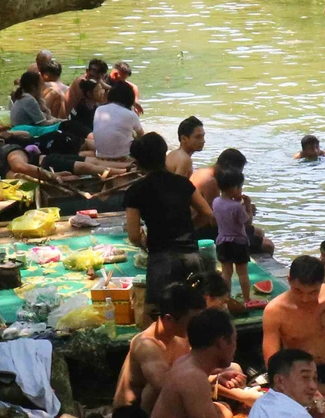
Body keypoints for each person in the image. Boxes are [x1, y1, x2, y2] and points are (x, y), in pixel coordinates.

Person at [123, 133, 212, 311]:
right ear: (164, 155)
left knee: (157, 314)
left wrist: (144, 244)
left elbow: (133, 235)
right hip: (191, 257)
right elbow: (207, 213)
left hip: (162, 260)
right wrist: (189, 228)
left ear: (138, 162)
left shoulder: (135, 191)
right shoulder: (182, 183)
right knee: (194, 311)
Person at [262, 255, 325, 397]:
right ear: (289, 280)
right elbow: (272, 359)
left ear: (322, 283)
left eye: (312, 292)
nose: (305, 298)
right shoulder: (274, 310)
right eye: (298, 291)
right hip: (300, 375)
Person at [110, 283, 201, 418]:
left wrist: (218, 378)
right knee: (153, 389)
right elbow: (164, 385)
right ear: (169, 319)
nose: (198, 326)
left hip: (161, 412)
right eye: (193, 321)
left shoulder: (181, 338)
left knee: (230, 370)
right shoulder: (146, 345)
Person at [211, 167, 257, 303]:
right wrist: (248, 206)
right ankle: (247, 299)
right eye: (240, 187)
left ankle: (226, 298)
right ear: (233, 188)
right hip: (238, 242)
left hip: (222, 241)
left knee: (226, 272)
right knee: (242, 273)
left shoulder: (216, 202)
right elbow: (247, 222)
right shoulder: (236, 207)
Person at [91, 78, 146, 161]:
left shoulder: (99, 110)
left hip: (100, 157)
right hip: (123, 158)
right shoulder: (131, 115)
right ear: (130, 98)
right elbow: (141, 136)